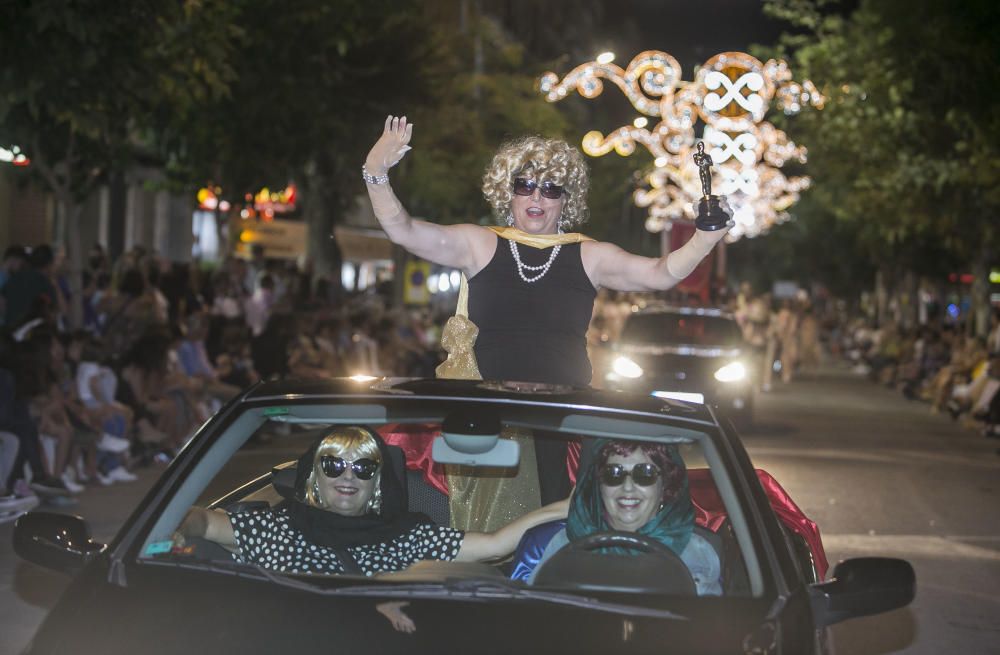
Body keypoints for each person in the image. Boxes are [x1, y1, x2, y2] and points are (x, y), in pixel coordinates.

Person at [363, 116, 732, 388]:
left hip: (562, 420)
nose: (536, 197)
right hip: (490, 420)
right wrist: (375, 172)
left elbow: (660, 273)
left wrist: (704, 238)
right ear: (508, 193)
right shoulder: (480, 244)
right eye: (525, 186)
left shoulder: (588, 255)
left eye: (551, 188)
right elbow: (403, 231)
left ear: (565, 201)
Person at [173, 426, 569, 575]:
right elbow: (202, 522)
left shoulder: (408, 537)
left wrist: (580, 505)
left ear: (378, 481)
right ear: (315, 473)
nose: (348, 476)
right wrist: (175, 531)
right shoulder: (273, 529)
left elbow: (496, 543)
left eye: (363, 468)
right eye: (334, 465)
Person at [509, 438, 722, 596]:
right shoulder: (563, 544)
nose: (627, 487)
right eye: (614, 474)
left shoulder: (696, 553)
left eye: (645, 473)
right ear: (599, 486)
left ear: (665, 485)